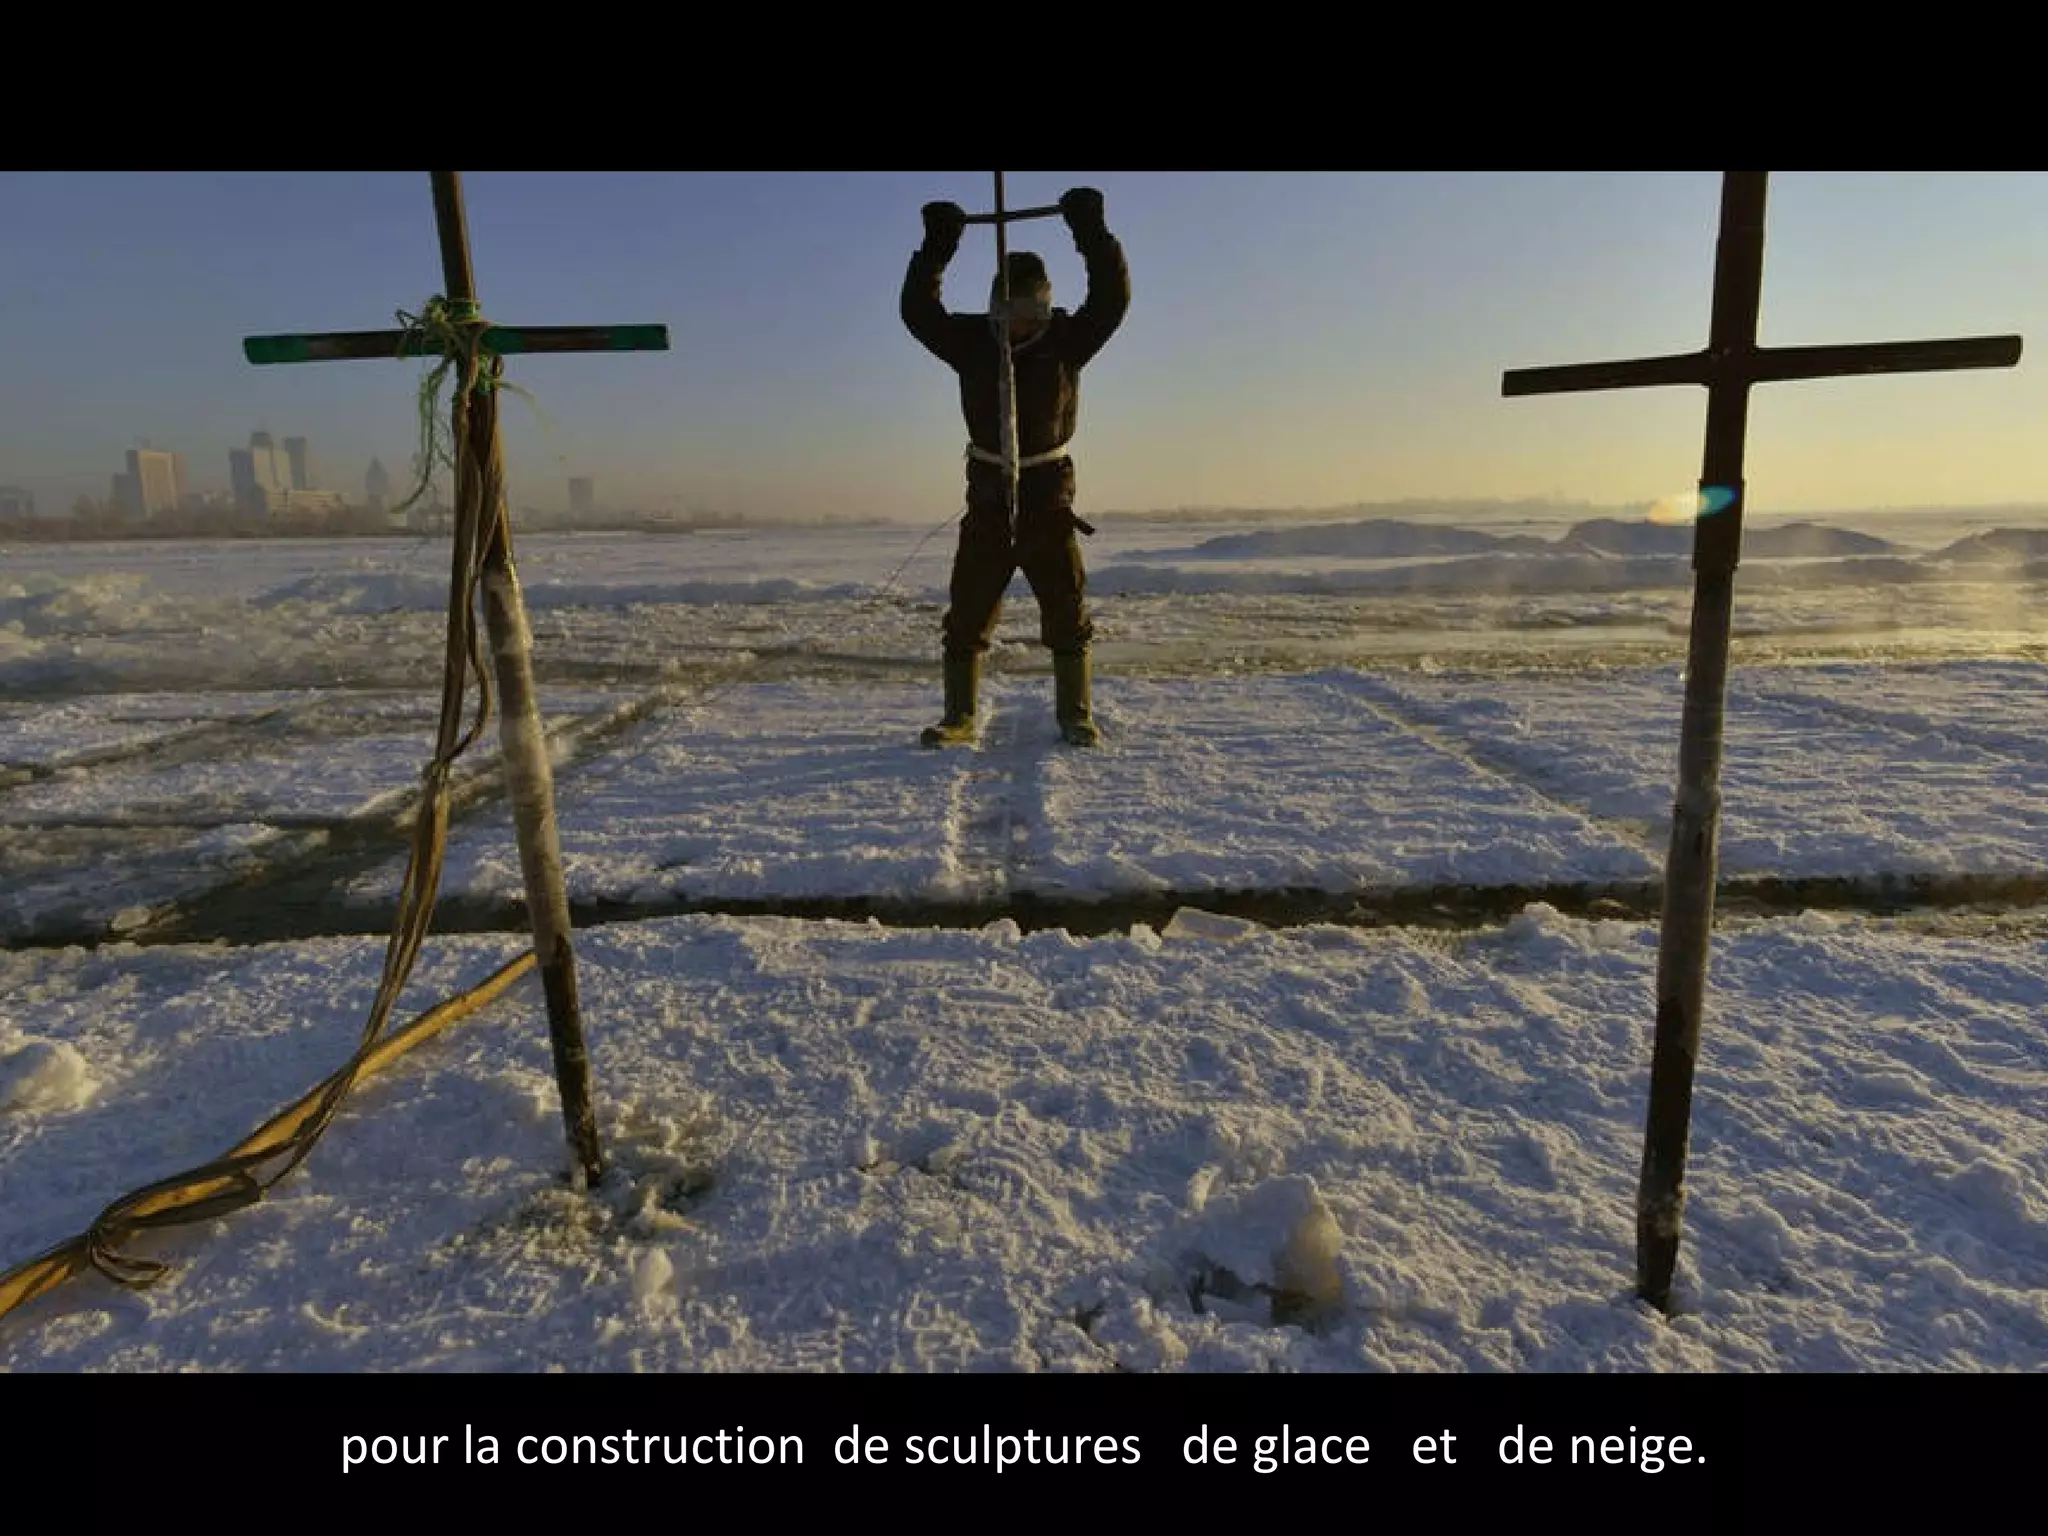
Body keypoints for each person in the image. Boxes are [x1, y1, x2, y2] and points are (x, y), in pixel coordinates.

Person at [900, 185, 1131, 748]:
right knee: (968, 611)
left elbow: (1112, 300)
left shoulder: (1068, 341)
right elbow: (918, 312)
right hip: (987, 498)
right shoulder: (973, 341)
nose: (1020, 323)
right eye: (1009, 311)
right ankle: (959, 715)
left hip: (1048, 499)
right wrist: (937, 247)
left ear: (1046, 306)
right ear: (995, 306)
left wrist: (1091, 232)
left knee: (1066, 608)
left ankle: (1075, 713)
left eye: (1031, 311)